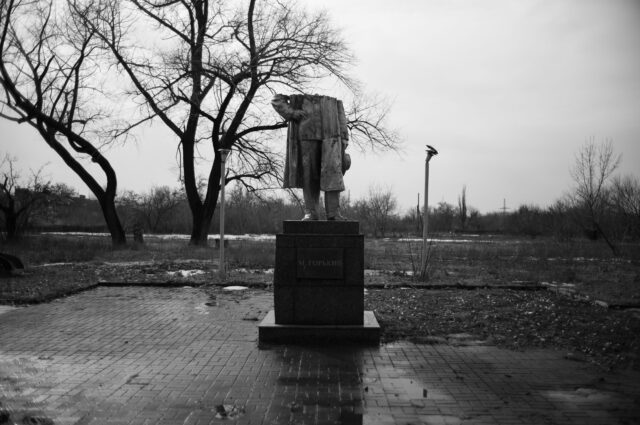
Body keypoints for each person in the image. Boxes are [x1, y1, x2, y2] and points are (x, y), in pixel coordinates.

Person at [272, 93, 350, 221]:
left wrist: (344, 137)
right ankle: (311, 212)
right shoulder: (301, 99)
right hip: (306, 135)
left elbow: (341, 114)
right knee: (309, 176)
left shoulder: (334, 102)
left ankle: (333, 213)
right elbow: (276, 99)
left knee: (333, 174)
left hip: (331, 137)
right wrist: (291, 113)